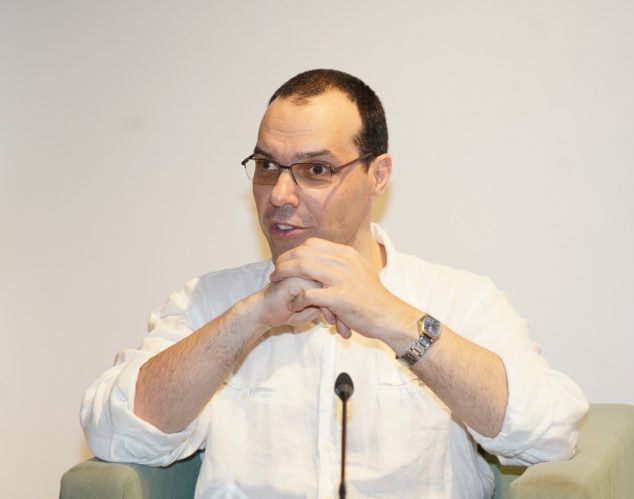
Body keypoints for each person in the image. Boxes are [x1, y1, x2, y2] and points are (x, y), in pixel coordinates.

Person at [81, 69, 588, 498]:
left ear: (378, 175)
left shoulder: (458, 299)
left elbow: (548, 433)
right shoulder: (208, 302)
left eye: (316, 169)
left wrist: (393, 318)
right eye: (267, 166)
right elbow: (115, 434)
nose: (280, 194)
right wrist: (250, 318)